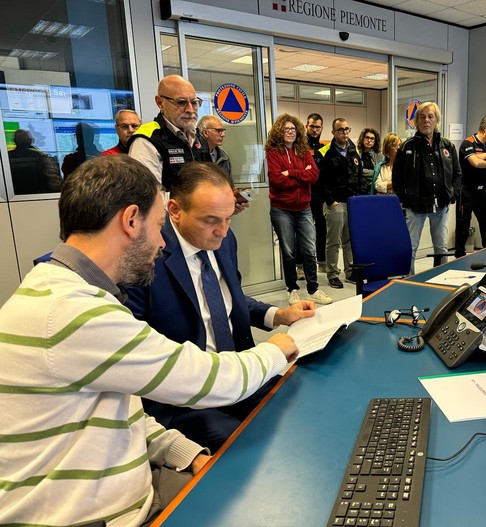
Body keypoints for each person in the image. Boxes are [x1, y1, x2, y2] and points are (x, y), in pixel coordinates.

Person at [0, 155, 299, 526]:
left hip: (136, 489)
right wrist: (277, 347)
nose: (162, 241)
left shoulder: (60, 293)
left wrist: (182, 451)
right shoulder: (74, 313)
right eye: (158, 226)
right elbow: (210, 381)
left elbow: (117, 409)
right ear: (129, 221)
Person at [124, 160, 314, 450]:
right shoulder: (147, 258)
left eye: (228, 219)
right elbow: (139, 357)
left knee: (301, 401)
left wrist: (277, 314)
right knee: (243, 444)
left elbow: (229, 300)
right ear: (174, 210)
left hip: (237, 370)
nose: (223, 230)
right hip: (185, 397)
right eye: (211, 220)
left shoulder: (224, 240)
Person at [266, 114, 333, 306]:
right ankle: (292, 289)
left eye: (293, 129)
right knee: (288, 252)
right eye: (286, 129)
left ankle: (313, 289)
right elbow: (277, 180)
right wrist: (299, 176)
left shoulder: (304, 151)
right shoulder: (273, 153)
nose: (290, 132)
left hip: (304, 208)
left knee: (310, 250)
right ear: (279, 131)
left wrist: (292, 173)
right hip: (281, 209)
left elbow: (314, 175)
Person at [393, 102, 461, 273]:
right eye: (422, 117)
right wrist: (403, 198)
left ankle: (440, 278)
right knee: (411, 248)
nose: (426, 121)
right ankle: (409, 281)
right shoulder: (407, 147)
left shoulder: (447, 146)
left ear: (436, 120)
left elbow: (457, 174)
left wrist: (452, 194)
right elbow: (397, 177)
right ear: (416, 121)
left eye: (430, 117)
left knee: (441, 248)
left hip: (441, 206)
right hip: (415, 206)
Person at [129, 74, 206, 189]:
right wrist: (193, 203)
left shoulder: (197, 136)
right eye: (181, 102)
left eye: (194, 102)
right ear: (160, 103)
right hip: (173, 207)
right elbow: (148, 196)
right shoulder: (147, 140)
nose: (190, 110)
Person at [318, 117, 367, 288]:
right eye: (340, 130)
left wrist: (359, 199)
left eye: (347, 129)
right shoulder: (325, 152)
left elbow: (360, 176)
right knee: (333, 241)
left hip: (353, 203)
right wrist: (331, 201)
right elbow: (320, 181)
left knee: (349, 240)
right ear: (333, 132)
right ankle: (332, 273)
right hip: (336, 204)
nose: (344, 133)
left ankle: (350, 272)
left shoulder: (354, 151)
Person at [455, 115, 486, 255]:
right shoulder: (468, 143)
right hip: (467, 192)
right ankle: (459, 256)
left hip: (483, 192)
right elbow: (476, 163)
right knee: (463, 227)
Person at [296, 113, 327, 279]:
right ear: (306, 127)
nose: (315, 130)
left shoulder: (323, 148)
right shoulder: (300, 147)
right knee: (303, 231)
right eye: (312, 126)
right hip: (304, 193)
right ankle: (300, 266)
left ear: (322, 128)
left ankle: (322, 262)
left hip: (320, 195)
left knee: (322, 228)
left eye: (318, 127)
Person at [8, 129, 62, 194]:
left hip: (16, 197)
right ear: (31, 141)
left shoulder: (7, 158)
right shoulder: (43, 156)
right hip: (42, 197)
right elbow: (55, 184)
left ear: (14, 141)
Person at [197, 115, 232, 179]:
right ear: (205, 133)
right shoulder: (194, 156)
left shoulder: (224, 157)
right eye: (218, 131)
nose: (223, 135)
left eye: (223, 131)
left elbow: (229, 183)